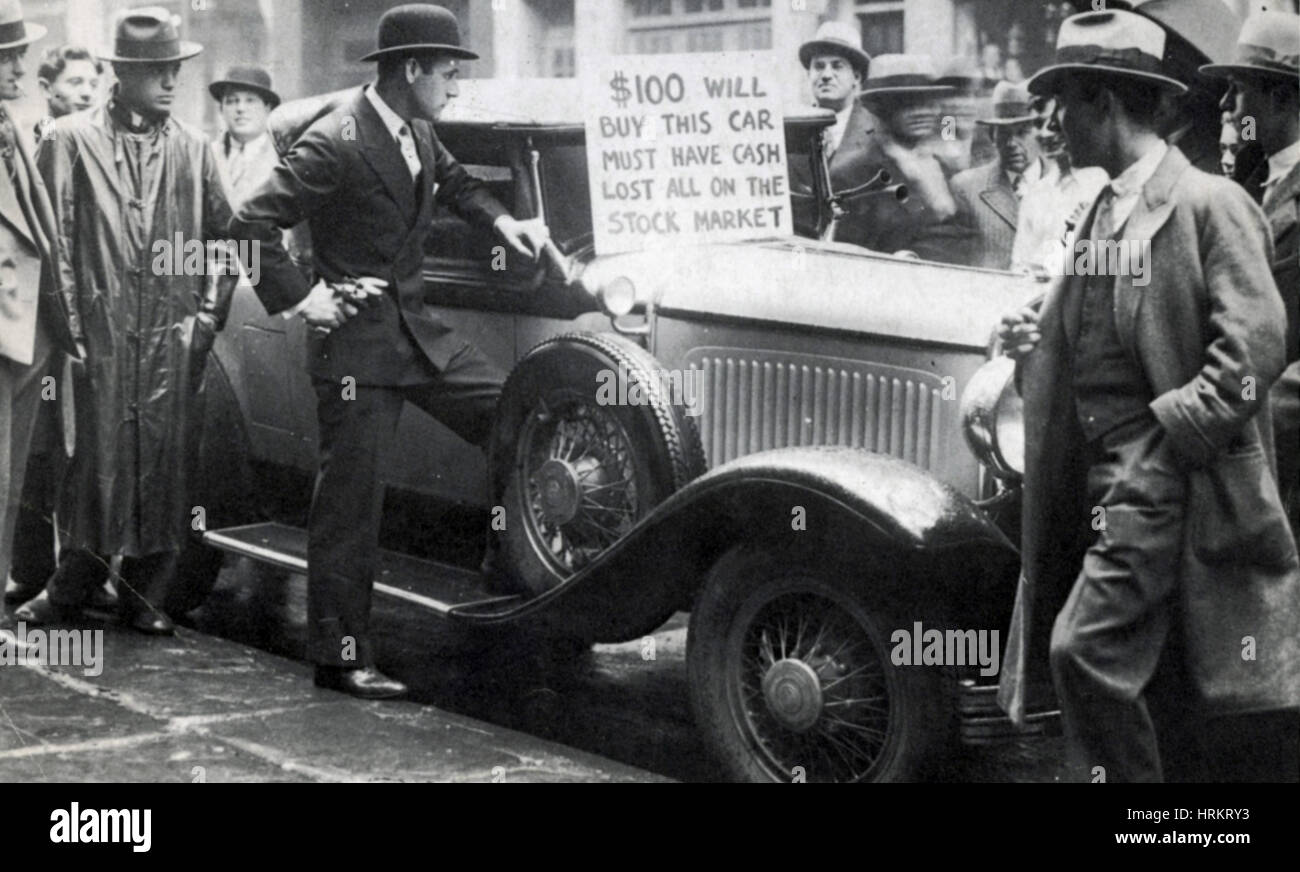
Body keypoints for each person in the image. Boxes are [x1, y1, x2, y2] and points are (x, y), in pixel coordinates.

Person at [996, 9, 1298, 782]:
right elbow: (1073, 323)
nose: (1051, 122)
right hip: (1095, 480)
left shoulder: (1209, 203)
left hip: (1159, 484)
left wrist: (1169, 443)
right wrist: (1030, 335)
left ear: (1106, 103)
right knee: (1155, 685)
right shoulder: (1099, 209)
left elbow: (1253, 351)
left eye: (1064, 100)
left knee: (1081, 652)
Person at [229, 4, 549, 700]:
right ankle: (341, 658)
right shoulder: (336, 140)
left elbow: (457, 184)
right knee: (349, 509)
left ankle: (505, 575)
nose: (456, 87)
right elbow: (248, 220)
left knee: (518, 417)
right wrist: (300, 297)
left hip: (416, 336)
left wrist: (506, 223)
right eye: (447, 74)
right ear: (411, 71)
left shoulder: (416, 129)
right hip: (355, 351)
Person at [18, 7, 239, 636]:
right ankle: (71, 584)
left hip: (171, 335)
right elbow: (53, 237)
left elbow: (227, 239)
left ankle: (146, 595)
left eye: (174, 69)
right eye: (158, 70)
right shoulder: (71, 140)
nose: (171, 81)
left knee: (165, 464)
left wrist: (205, 320)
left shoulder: (193, 149)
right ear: (126, 73)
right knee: (90, 460)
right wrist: (71, 330)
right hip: (98, 329)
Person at [6, 41, 113, 613]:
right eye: (74, 84)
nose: (86, 93)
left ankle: (77, 571)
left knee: (75, 452)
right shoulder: (39, 139)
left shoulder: (98, 143)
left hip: (79, 322)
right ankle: (29, 570)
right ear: (48, 90)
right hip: (37, 322)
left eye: (92, 83)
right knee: (37, 452)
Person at [1203, 10, 1300, 541]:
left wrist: (1230, 426)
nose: (1225, 105)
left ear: (1282, 98)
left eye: (1237, 91)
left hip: (1279, 468)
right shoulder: (1246, 180)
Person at [0, 2, 78, 632]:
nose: (19, 66)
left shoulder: (13, 125)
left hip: (28, 333)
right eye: (7, 55)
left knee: (9, 480)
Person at [847, 54, 966, 262]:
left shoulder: (944, 167)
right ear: (883, 109)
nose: (921, 113)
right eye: (907, 104)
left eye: (928, 103)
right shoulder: (857, 174)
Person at [1009, 94, 1108, 274]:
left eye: (1054, 123)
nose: (1046, 133)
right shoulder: (1035, 193)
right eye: (1038, 124)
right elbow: (1019, 264)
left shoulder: (1102, 183)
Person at [951, 80, 1041, 271]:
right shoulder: (966, 188)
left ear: (1039, 134)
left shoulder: (1066, 186)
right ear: (992, 135)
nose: (1011, 143)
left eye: (1023, 133)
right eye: (1004, 134)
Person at [210, 65, 279, 211]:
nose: (240, 108)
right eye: (231, 101)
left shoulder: (284, 157)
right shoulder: (206, 155)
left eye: (250, 100)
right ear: (221, 109)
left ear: (267, 107)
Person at [32, 44, 100, 142]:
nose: (87, 93)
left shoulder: (102, 137)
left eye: (93, 85)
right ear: (46, 89)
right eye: (75, 82)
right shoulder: (44, 137)